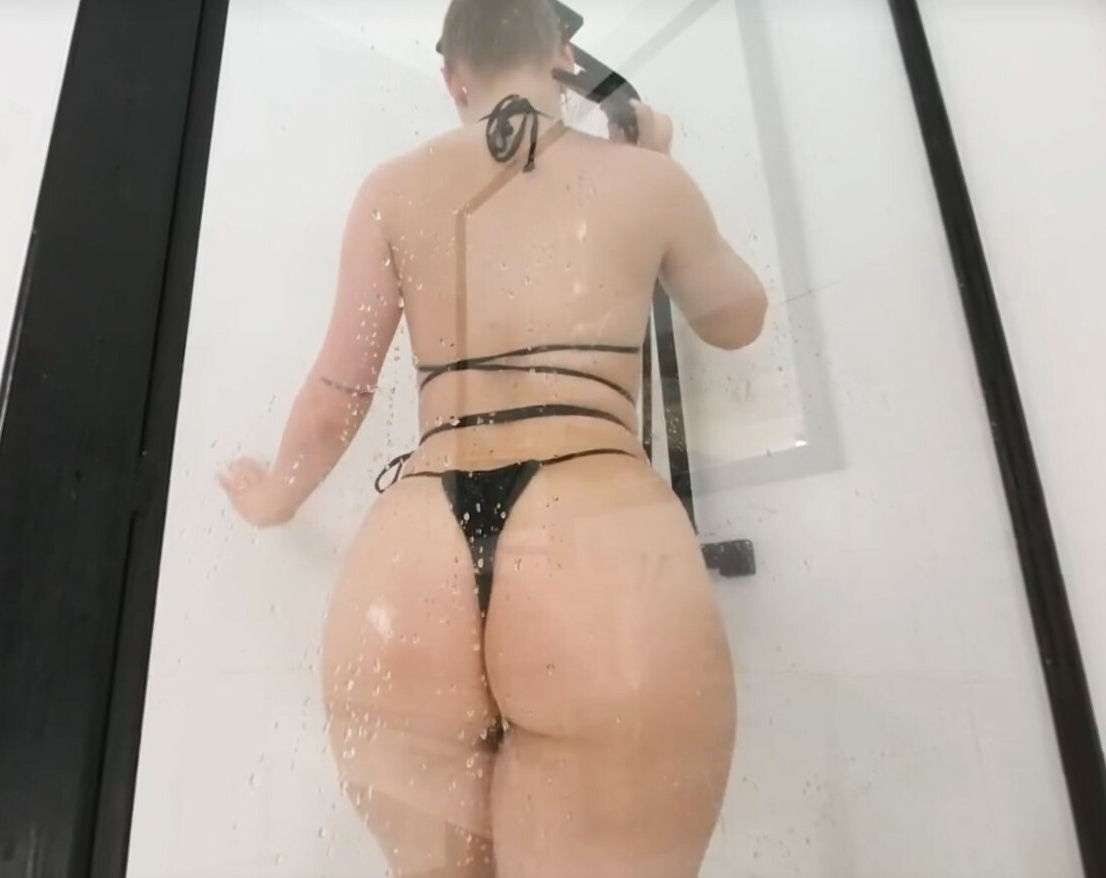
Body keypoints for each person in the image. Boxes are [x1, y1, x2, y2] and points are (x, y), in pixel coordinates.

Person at [220, 0, 767, 874]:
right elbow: (736, 319)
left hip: (413, 553)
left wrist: (276, 497)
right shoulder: (646, 181)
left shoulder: (391, 191)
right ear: (566, 58)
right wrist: (657, 166)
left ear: (452, 78)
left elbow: (338, 392)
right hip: (593, 533)